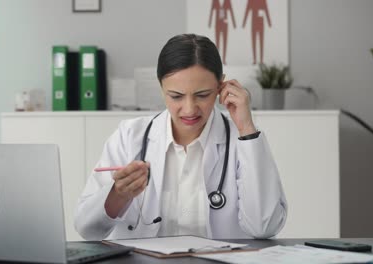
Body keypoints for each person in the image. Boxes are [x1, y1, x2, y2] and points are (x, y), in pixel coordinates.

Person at [74, 34, 287, 240]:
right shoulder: (130, 136)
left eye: (202, 95)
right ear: (161, 88)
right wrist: (118, 195)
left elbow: (264, 227)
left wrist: (247, 128)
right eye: (176, 96)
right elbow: (86, 228)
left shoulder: (243, 139)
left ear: (221, 86)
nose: (189, 109)